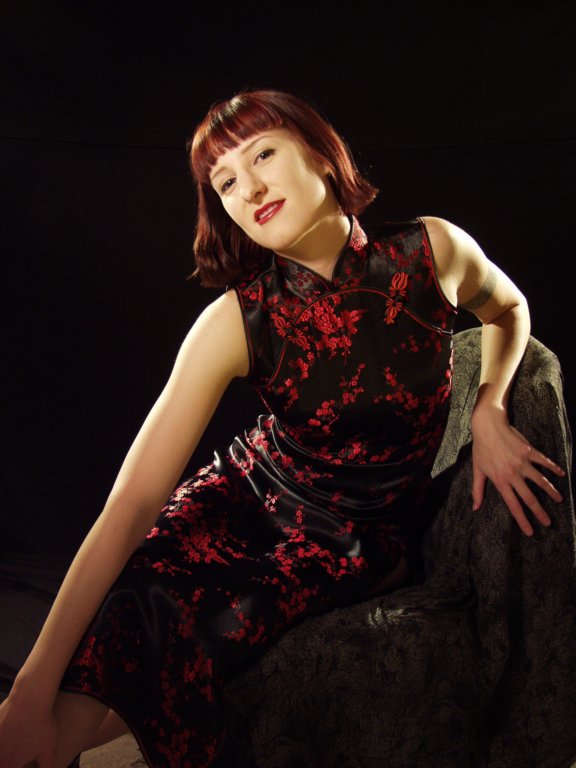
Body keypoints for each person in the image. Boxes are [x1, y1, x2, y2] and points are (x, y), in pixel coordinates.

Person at [0, 88, 566, 768]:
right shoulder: (234, 320)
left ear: (323, 154)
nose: (249, 188)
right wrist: (29, 687)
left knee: (186, 634)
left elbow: (509, 310)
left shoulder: (431, 250)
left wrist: (490, 407)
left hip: (352, 540)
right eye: (225, 182)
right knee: (131, 601)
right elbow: (133, 502)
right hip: (246, 492)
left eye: (262, 155)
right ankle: (25, 730)